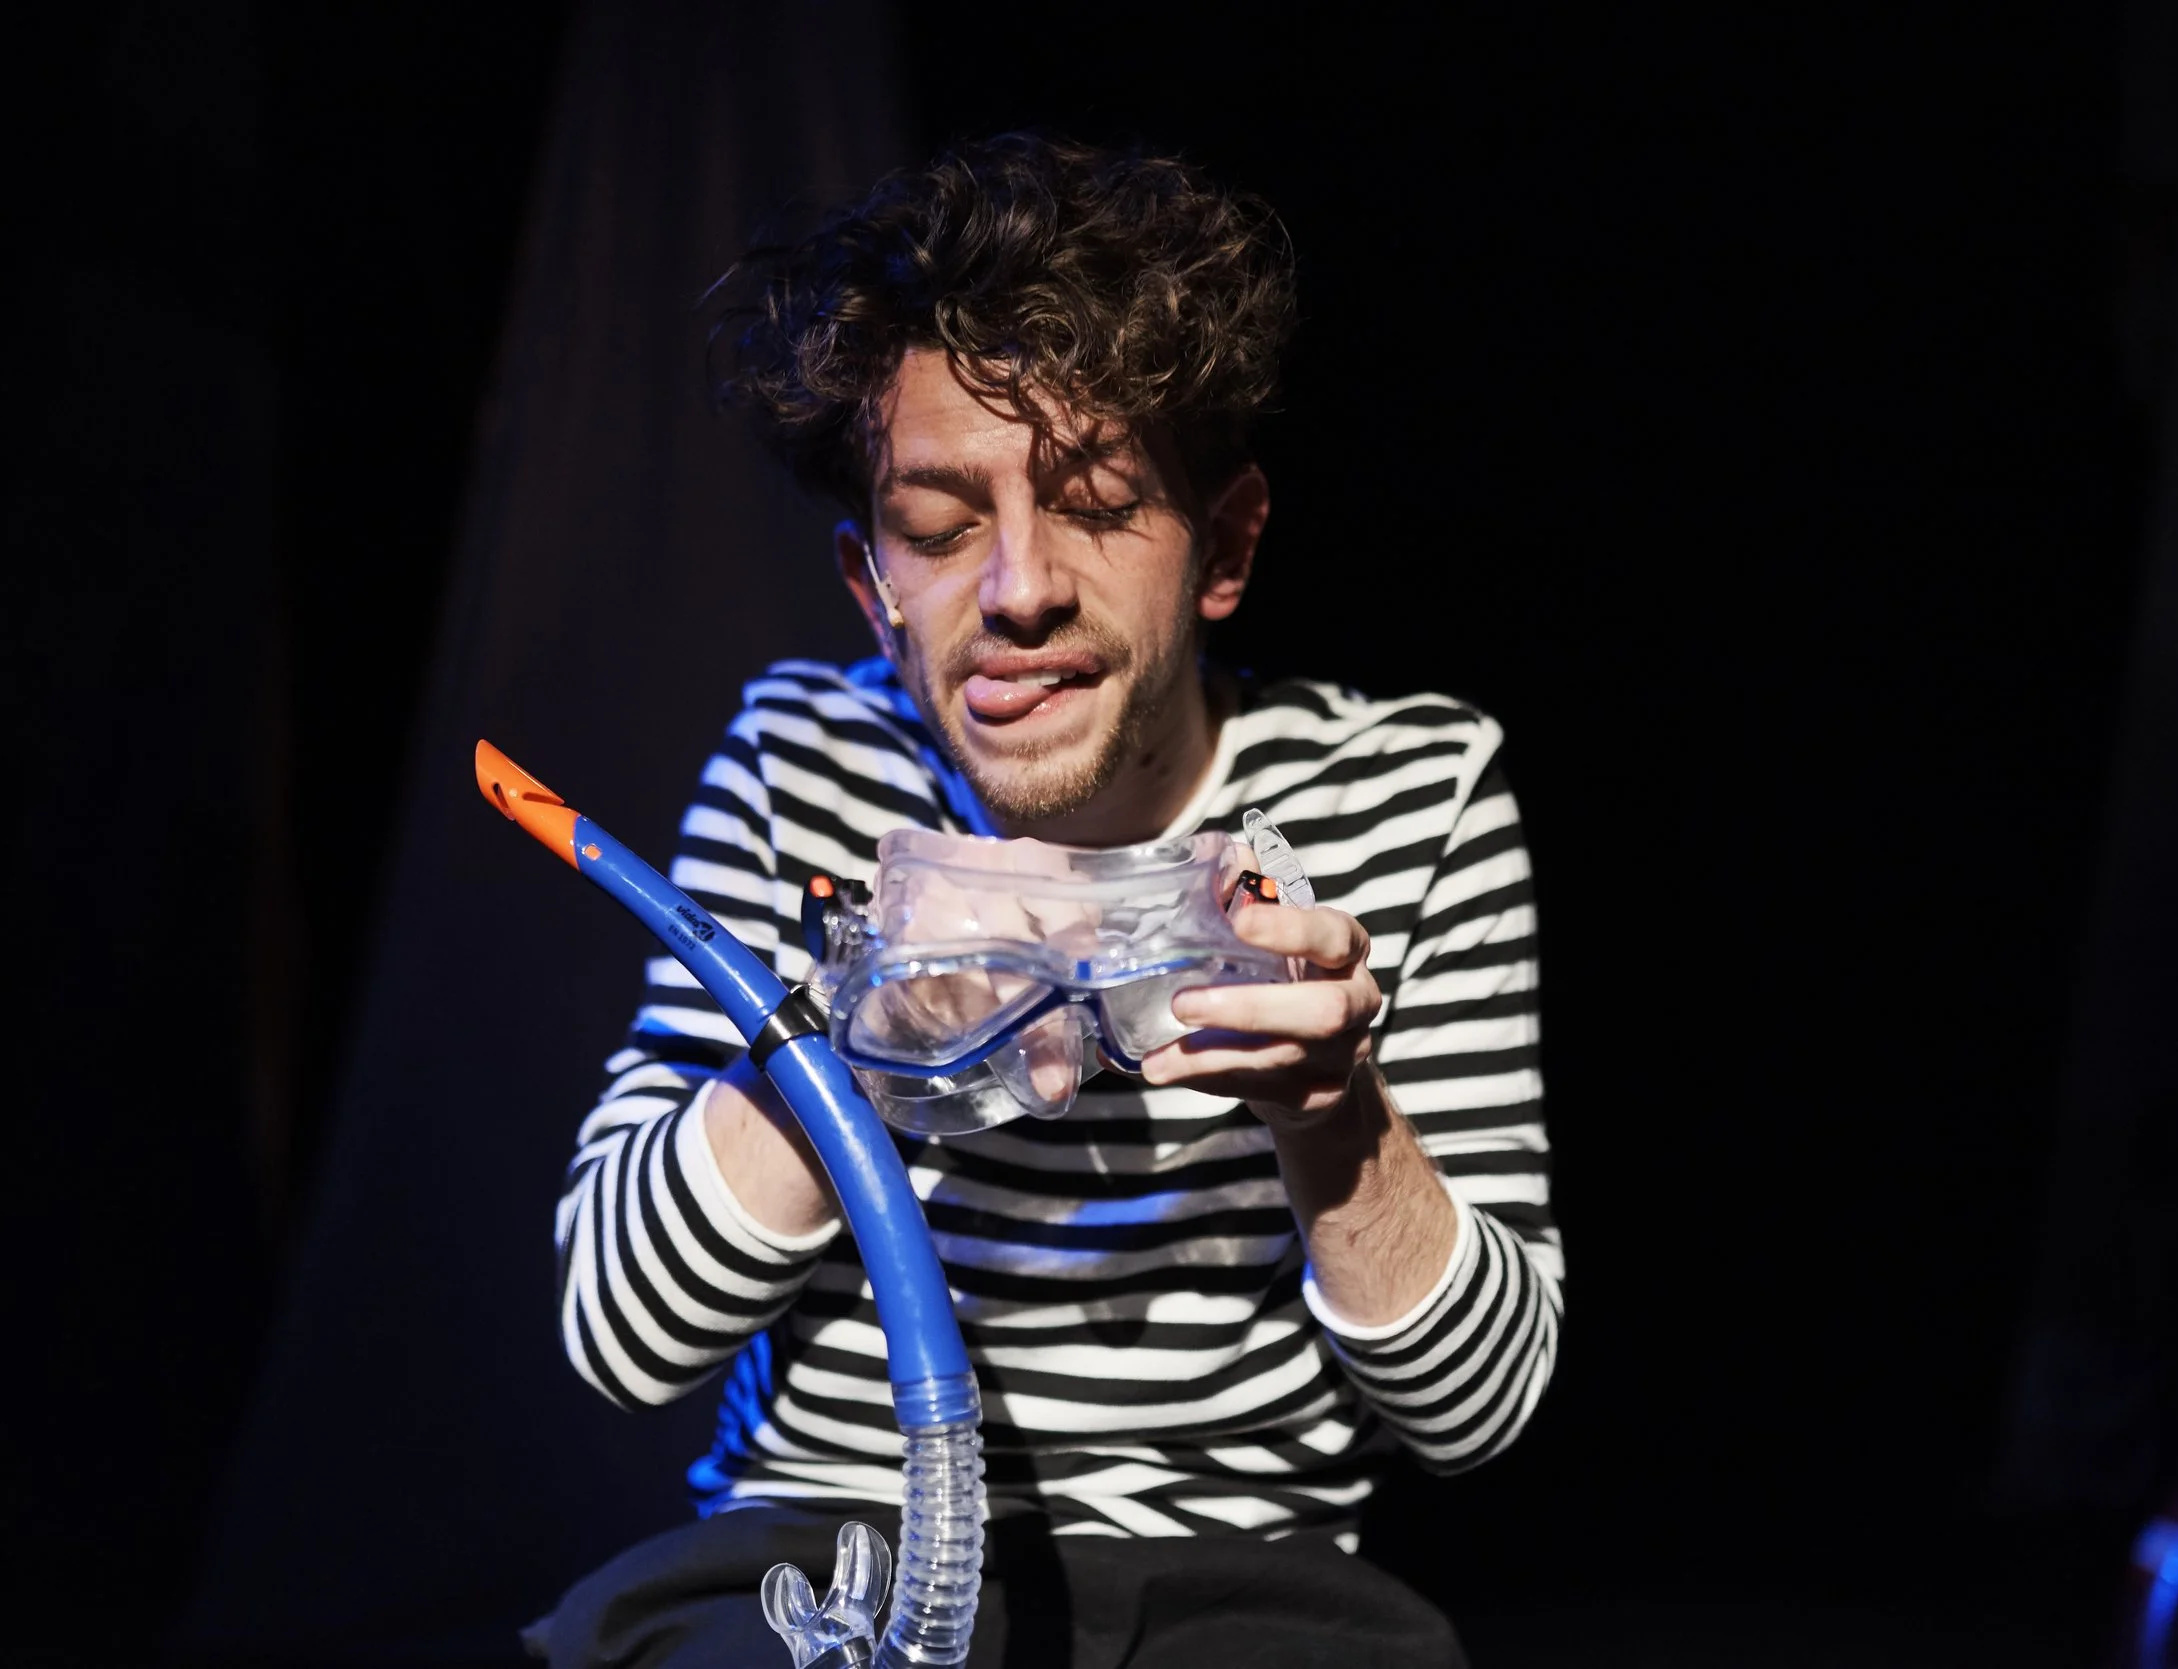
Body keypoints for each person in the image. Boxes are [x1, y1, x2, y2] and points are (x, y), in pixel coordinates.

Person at [526, 135, 1559, 1669]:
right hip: (828, 1554)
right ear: (875, 587)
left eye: (1092, 503)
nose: (1016, 589)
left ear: (1228, 545)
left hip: (1246, 1584)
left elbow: (1478, 1414)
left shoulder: (1409, 793)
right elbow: (620, 1335)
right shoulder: (805, 764)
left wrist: (1334, 1110)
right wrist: (852, 1054)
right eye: (941, 528)